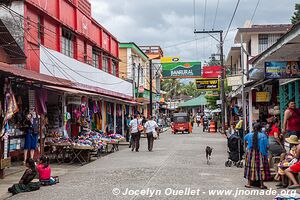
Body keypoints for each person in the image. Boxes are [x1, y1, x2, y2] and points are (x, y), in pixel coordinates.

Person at [244, 123, 271, 189]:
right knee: (261, 167)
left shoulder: (249, 135)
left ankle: (248, 183)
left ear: (253, 128)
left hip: (250, 153)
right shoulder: (263, 136)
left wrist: (246, 148)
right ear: (260, 129)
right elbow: (267, 146)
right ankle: (261, 184)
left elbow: (245, 141)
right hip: (260, 153)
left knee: (250, 167)